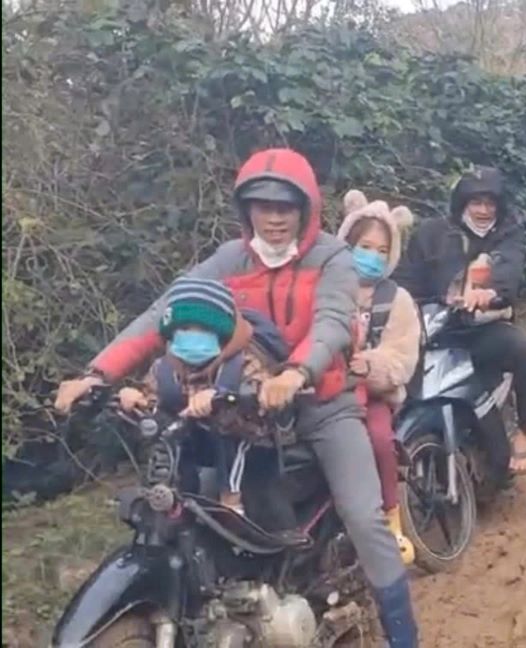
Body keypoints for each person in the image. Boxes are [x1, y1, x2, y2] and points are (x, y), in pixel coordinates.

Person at [53, 148, 418, 647]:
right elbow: (165, 315)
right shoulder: (230, 260)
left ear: (305, 209)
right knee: (190, 498)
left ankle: (404, 638)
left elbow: (333, 320)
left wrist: (296, 372)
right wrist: (97, 373)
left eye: (285, 206)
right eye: (261, 205)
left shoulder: (332, 256)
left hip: (322, 408)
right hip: (244, 409)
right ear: (245, 210)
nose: (273, 217)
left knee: (363, 516)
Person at [115, 276, 303, 541]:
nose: (193, 337)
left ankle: (232, 502)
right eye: (185, 329)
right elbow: (153, 397)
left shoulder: (243, 362)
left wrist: (221, 396)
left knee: (229, 430)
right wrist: (134, 398)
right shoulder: (165, 368)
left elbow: (259, 399)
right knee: (165, 441)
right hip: (193, 442)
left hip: (248, 443)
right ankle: (173, 506)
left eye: (202, 330)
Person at [391, 165, 526, 476]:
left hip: (480, 330)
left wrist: (488, 293)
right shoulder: (431, 233)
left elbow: (507, 270)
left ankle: (525, 433)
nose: (484, 211)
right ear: (462, 204)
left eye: (490, 204)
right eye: (476, 203)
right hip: (430, 331)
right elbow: (405, 277)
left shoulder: (506, 235)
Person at [337, 190, 420, 565]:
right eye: (364, 246)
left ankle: (391, 518)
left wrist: (369, 367)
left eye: (381, 250)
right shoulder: (327, 289)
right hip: (325, 391)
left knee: (379, 439)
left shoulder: (397, 299)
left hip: (372, 395)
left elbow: (403, 354)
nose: (372, 255)